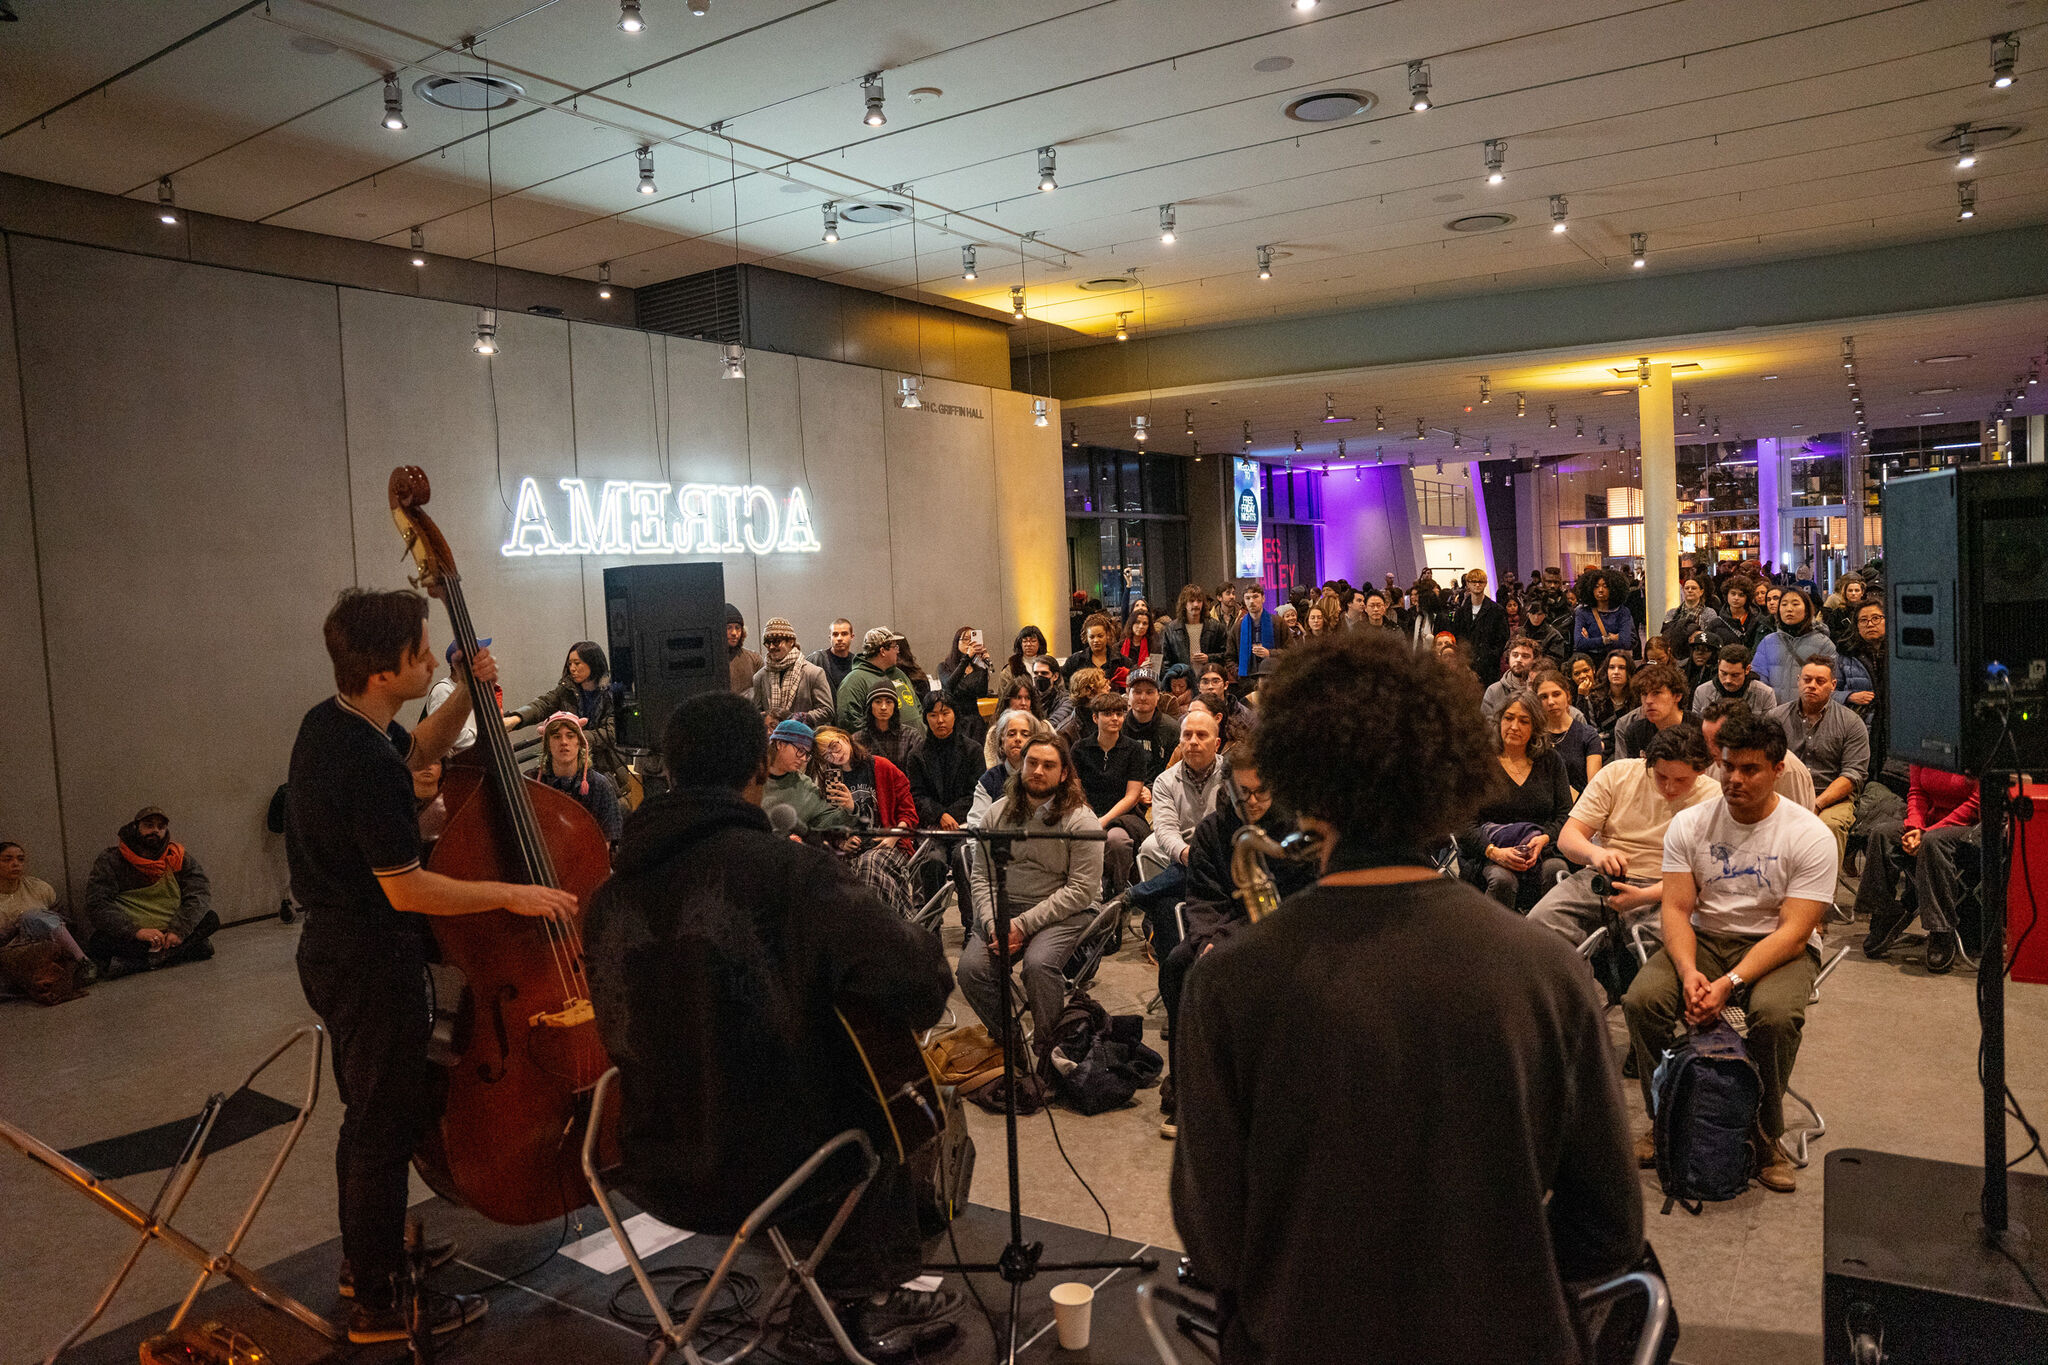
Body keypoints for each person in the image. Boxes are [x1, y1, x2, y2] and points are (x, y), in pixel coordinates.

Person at [1172, 630, 1642, 1363]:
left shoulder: (1227, 984)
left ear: (1300, 783)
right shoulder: (1548, 969)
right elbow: (1609, 1226)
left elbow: (1213, 1235)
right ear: (1447, 776)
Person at [583, 692, 961, 1364]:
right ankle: (860, 1300)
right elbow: (918, 983)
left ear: (669, 770)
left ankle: (846, 1291)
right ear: (761, 768)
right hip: (775, 1169)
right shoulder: (790, 873)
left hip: (651, 1160)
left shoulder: (608, 896)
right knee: (894, 1093)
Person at [288, 588, 578, 1341]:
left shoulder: (336, 723)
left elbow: (419, 751)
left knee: (380, 1111)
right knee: (380, 1124)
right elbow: (407, 885)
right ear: (385, 671)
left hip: (339, 950)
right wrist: (512, 894)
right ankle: (378, 1300)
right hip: (367, 955)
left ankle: (368, 1255)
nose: (430, 662)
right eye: (420, 654)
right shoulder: (361, 759)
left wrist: (471, 694)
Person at [1623, 708, 1833, 1193]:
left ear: (1778, 769)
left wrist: (1729, 983)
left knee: (1775, 1016)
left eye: (1750, 769)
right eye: (1727, 766)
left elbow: (1795, 934)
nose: (1734, 779)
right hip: (1707, 936)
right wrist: (1690, 969)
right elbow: (1675, 909)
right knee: (1642, 1001)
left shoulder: (1809, 835)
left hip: (1777, 946)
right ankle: (1666, 1119)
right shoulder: (1690, 824)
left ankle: (1764, 1137)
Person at [1155, 757, 1313, 1140]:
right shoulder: (1212, 830)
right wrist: (1207, 940)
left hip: (1281, 929)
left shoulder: (1293, 830)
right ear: (1228, 791)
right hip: (1222, 926)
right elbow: (1203, 897)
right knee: (1178, 967)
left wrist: (1223, 939)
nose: (1254, 802)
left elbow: (1301, 896)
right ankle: (1186, 1089)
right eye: (1244, 794)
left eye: (1262, 792)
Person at [953, 736, 1104, 1060]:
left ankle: (1049, 1051)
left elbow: (1082, 889)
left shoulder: (1081, 820)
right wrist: (994, 922)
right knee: (970, 969)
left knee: (1037, 965)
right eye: (1031, 763)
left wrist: (1021, 925)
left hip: (1064, 911)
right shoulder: (997, 814)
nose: (1037, 771)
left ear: (1064, 774)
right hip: (1006, 908)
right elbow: (981, 876)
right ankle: (1013, 1045)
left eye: (1048, 765)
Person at [1527, 725, 1720, 949]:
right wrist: (1596, 853)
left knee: (1674, 950)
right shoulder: (1618, 774)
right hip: (1607, 879)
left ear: (1701, 772)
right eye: (1662, 776)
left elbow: (1705, 877)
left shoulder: (1714, 797)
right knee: (1538, 925)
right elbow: (1568, 837)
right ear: (1647, 761)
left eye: (1681, 780)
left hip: (1668, 888)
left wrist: (1644, 895)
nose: (1669, 787)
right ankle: (1586, 983)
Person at [1859, 763, 1980, 971]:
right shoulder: (1925, 743)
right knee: (1881, 835)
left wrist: (1927, 832)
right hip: (1929, 826)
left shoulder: (1976, 748)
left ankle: (1941, 931)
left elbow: (1976, 802)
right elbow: (1917, 792)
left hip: (1971, 828)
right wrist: (1915, 827)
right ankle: (1885, 913)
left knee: (1933, 842)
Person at [1458, 697, 1573, 912]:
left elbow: (1565, 814)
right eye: (1508, 718)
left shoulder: (1551, 760)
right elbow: (1462, 822)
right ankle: (1494, 943)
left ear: (1535, 727)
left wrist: (1544, 839)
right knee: (1503, 879)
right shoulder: (1480, 762)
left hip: (1540, 849)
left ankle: (1549, 941)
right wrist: (1494, 852)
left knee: (1556, 870)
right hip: (1489, 851)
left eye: (1524, 721)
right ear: (1499, 721)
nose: (1514, 727)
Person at [85, 807, 221, 977]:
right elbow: (97, 903)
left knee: (211, 919)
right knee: (98, 942)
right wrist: (136, 931)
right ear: (135, 828)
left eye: (161, 827)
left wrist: (179, 930)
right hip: (137, 936)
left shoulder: (177, 857)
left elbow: (199, 893)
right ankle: (190, 950)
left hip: (171, 931)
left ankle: (142, 963)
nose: (155, 830)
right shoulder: (111, 860)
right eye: (149, 825)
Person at [1771, 658, 1869, 875]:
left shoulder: (1851, 723)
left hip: (1831, 797)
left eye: (1820, 681)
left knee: (1829, 826)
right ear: (1798, 681)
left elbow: (1853, 775)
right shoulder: (1776, 718)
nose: (1812, 685)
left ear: (1833, 685)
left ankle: (1819, 901)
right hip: (1785, 795)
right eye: (1807, 679)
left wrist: (1816, 804)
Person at [811, 726, 918, 918]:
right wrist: (841, 841)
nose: (835, 755)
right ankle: (896, 928)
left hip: (888, 844)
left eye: (834, 746)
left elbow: (909, 813)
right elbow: (827, 825)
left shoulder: (881, 767)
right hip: (853, 850)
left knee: (868, 865)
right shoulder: (831, 782)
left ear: (844, 737)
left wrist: (894, 835)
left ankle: (877, 933)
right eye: (827, 755)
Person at [503, 641, 630, 792]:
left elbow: (612, 731)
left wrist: (576, 737)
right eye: (570, 664)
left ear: (593, 663)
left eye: (577, 663)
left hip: (607, 769)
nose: (572, 668)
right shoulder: (566, 689)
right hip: (572, 769)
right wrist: (516, 719)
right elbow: (543, 704)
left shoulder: (613, 694)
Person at [1073, 692, 1149, 891]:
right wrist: (1089, 819)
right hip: (1085, 812)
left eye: (1119, 713)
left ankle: (1119, 895)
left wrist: (1103, 821)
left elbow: (1132, 796)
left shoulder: (1133, 749)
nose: (1115, 718)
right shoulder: (1079, 749)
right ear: (1095, 717)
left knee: (1117, 841)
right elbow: (1075, 791)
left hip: (1124, 816)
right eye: (1107, 713)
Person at [0, 840, 91, 993]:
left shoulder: (39, 888)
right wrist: (17, 926)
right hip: (9, 954)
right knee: (28, 917)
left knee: (33, 917)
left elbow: (63, 922)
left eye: (20, 859)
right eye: (7, 860)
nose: (15, 864)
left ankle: (83, 962)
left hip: (45, 947)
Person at [1701, 700, 1815, 810]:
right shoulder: (1714, 764)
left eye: (1718, 741)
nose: (1711, 749)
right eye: (1706, 740)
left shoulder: (1789, 769)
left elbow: (1795, 820)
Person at [535, 713, 623, 843]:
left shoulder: (599, 784)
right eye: (556, 737)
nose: (564, 742)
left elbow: (607, 840)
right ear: (547, 744)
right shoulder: (533, 782)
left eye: (570, 736)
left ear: (580, 743)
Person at [905, 694, 984, 832]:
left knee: (961, 853)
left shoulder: (973, 750)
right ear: (926, 719)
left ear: (955, 715)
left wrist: (950, 815)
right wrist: (940, 815)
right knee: (933, 854)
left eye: (945, 713)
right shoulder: (916, 755)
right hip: (931, 825)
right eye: (933, 715)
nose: (940, 720)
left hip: (966, 822)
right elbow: (917, 796)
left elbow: (977, 792)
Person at [759, 720, 853, 836]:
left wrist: (849, 809)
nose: (804, 759)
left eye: (807, 754)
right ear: (780, 744)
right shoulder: (749, 776)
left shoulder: (804, 786)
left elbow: (827, 821)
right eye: (801, 751)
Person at [1752, 587, 1837, 704]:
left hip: (1810, 714)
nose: (1789, 609)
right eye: (1784, 604)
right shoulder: (1768, 642)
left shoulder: (1823, 644)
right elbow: (1758, 681)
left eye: (1795, 604)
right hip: (1774, 715)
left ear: (1807, 610)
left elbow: (1831, 685)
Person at [835, 628, 924, 735]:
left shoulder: (899, 673)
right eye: (894, 647)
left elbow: (917, 705)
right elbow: (849, 721)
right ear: (882, 651)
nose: (898, 651)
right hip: (885, 748)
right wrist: (880, 739)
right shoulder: (854, 681)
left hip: (916, 743)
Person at [751, 619, 835, 731]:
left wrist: (800, 718)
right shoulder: (759, 677)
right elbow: (757, 713)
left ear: (791, 641)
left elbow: (827, 711)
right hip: (773, 741)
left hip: (804, 740)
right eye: (768, 642)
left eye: (776, 641)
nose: (771, 647)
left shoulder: (813, 673)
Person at [1836, 599, 1889, 778]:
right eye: (1863, 620)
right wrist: (1849, 696)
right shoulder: (1845, 654)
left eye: (1876, 618)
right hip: (1861, 726)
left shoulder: (1900, 653)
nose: (1870, 624)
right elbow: (1829, 692)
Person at [1532, 669, 1603, 792]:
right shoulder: (1533, 735)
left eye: (1556, 694)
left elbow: (1594, 788)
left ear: (1568, 696)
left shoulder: (1587, 735)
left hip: (1579, 806)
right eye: (1543, 697)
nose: (1551, 702)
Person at [1611, 662, 1698, 761]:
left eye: (1656, 693)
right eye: (1644, 694)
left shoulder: (1700, 729)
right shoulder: (1635, 732)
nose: (1648, 701)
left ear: (1677, 695)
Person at [1447, 568, 1510, 686]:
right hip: (1466, 667)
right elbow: (1457, 637)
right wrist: (1464, 663)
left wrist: (1488, 658)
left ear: (1485, 584)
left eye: (1480, 582)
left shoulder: (1497, 611)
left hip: (1489, 669)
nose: (1477, 584)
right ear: (1467, 584)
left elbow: (1502, 639)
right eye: (1473, 581)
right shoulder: (1461, 612)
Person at [1691, 643, 1777, 718]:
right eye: (1724, 673)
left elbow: (1769, 732)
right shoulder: (1702, 692)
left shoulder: (1765, 694)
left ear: (1747, 669)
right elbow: (1696, 729)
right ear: (1718, 665)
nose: (1728, 680)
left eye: (1735, 675)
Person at [1571, 567, 1638, 658]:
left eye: (1605, 586)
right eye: (1596, 586)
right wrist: (1610, 639)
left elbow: (1626, 642)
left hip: (1616, 660)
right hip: (1592, 662)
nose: (1601, 590)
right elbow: (1579, 643)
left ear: (1614, 589)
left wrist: (1591, 641)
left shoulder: (1622, 611)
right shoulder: (1583, 612)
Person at [1162, 585, 1229, 676]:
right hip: (1183, 681)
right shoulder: (1171, 629)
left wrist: (1209, 658)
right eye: (1191, 601)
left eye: (1199, 601)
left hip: (1209, 678)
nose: (1196, 604)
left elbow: (1227, 655)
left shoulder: (1216, 627)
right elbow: (1166, 661)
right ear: (1184, 603)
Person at [1195, 662, 1256, 754]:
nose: (1210, 687)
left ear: (1226, 685)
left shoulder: (1246, 717)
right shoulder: (1187, 717)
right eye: (1205, 682)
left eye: (1215, 681)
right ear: (1198, 687)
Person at [854, 687, 922, 770]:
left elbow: (918, 770)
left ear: (895, 707)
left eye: (889, 702)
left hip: (904, 782)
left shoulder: (911, 736)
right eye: (878, 702)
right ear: (870, 706)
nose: (883, 707)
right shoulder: (858, 739)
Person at [1660, 575, 1730, 654]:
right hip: (1675, 654)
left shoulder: (1709, 613)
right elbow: (1665, 636)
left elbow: (1711, 638)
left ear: (1701, 592)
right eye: (1687, 588)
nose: (1690, 590)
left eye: (1693, 588)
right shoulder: (1672, 613)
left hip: (1699, 654)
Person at [938, 624, 994, 722]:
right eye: (966, 639)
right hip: (953, 719)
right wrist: (966, 659)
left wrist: (984, 665)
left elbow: (982, 693)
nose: (969, 643)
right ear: (956, 643)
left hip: (974, 720)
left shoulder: (977, 669)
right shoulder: (944, 666)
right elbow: (948, 686)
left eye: (972, 639)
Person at [1480, 637, 1541, 725]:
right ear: (1509, 658)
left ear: (1535, 661)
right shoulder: (1494, 690)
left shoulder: (1540, 690)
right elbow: (1485, 728)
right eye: (1515, 655)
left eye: (1525, 656)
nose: (1519, 659)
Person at [1062, 612, 1126, 690]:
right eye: (1092, 637)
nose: (1096, 640)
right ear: (1086, 637)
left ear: (1107, 635)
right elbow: (1064, 685)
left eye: (1100, 636)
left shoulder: (1121, 661)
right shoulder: (1075, 661)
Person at [1587, 649, 1635, 751]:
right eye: (1612, 667)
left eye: (1622, 668)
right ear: (1606, 671)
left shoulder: (1637, 698)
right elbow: (1593, 734)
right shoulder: (1594, 698)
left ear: (1629, 671)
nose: (1616, 672)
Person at [1234, 584, 1279, 692]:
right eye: (1247, 598)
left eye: (1255, 597)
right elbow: (1230, 657)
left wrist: (1270, 653)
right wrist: (1239, 673)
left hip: (1274, 680)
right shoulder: (1238, 626)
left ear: (1263, 598)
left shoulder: (1277, 623)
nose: (1251, 601)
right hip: (1246, 682)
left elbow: (1289, 651)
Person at [991, 625, 1051, 702]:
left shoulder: (1048, 665)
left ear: (1040, 643)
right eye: (1025, 641)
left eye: (1033, 641)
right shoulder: (1010, 669)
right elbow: (1003, 697)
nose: (1028, 644)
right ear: (1020, 644)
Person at [809, 617, 858, 697]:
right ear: (830, 638)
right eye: (835, 634)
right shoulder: (816, 660)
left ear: (852, 637)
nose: (839, 638)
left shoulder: (857, 663)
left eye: (844, 634)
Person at [1720, 576, 1768, 651]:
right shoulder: (1716, 623)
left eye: (1741, 595)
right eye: (1733, 593)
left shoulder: (1759, 621)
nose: (1736, 598)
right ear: (1727, 595)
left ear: (1747, 597)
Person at [1521, 595, 1569, 667]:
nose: (1536, 617)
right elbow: (1507, 653)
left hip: (1543, 672)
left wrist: (1533, 661)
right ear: (1528, 614)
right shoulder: (1519, 632)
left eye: (1540, 614)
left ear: (1545, 615)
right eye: (1533, 613)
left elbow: (1556, 660)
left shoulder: (1553, 635)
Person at [726, 604, 763, 695]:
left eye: (737, 628)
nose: (734, 633)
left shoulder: (755, 659)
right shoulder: (712, 662)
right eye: (728, 628)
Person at [1117, 601, 1157, 672]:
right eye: (1137, 622)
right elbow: (1115, 671)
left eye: (1145, 623)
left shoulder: (1154, 646)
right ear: (1131, 624)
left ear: (1149, 626)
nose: (1141, 626)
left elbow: (1160, 671)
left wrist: (1153, 665)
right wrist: (1139, 669)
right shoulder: (1118, 647)